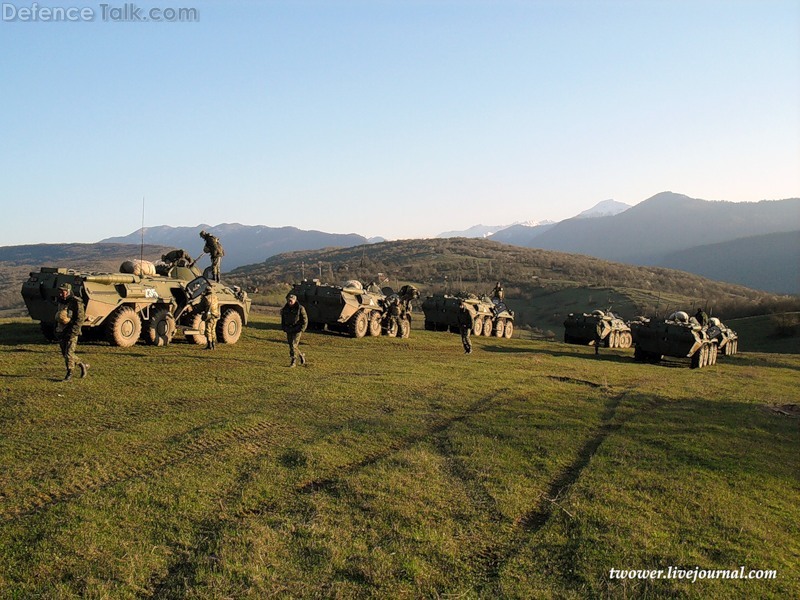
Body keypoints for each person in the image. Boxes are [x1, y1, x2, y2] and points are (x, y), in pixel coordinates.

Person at [55, 283, 88, 381]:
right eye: (60, 291)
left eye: (63, 291)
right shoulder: (60, 302)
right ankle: (82, 364)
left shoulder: (76, 302)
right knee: (65, 353)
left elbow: (80, 319)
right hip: (62, 330)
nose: (61, 293)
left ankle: (69, 373)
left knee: (69, 353)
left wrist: (73, 332)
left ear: (68, 291)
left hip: (72, 331)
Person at [281, 293, 308, 367]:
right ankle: (301, 355)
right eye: (289, 300)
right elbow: (283, 319)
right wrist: (283, 327)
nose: (290, 302)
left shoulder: (300, 308)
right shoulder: (285, 308)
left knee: (293, 345)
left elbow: (305, 319)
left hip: (297, 329)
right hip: (288, 328)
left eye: (291, 300)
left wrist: (302, 329)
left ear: (295, 300)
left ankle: (293, 361)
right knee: (292, 345)